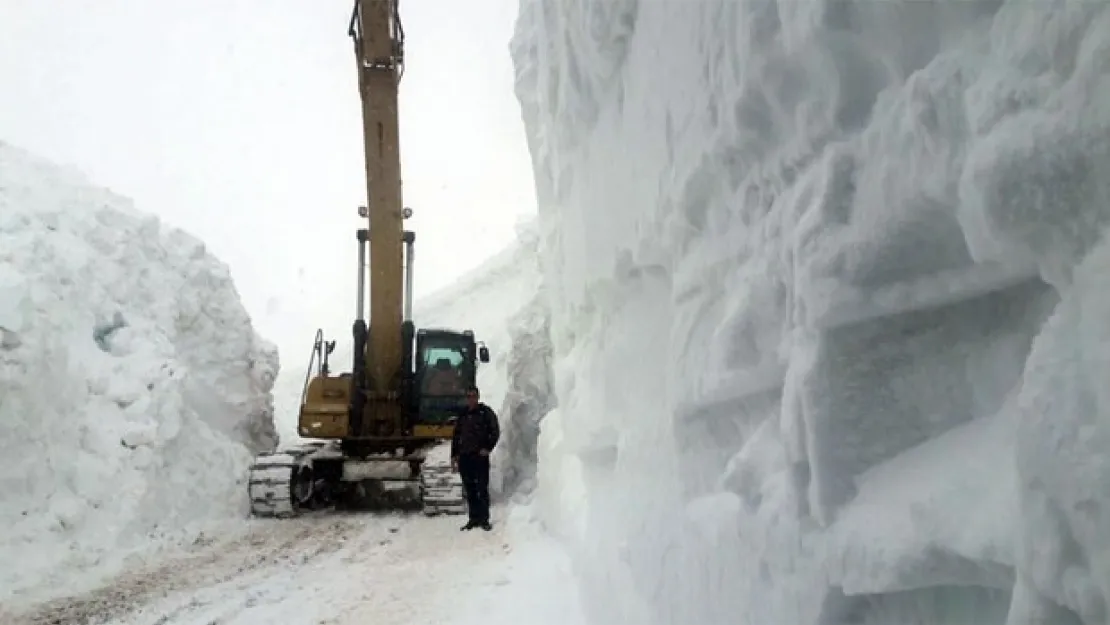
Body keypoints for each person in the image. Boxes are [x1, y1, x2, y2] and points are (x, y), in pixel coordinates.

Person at [450, 385, 500, 531]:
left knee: (481, 488)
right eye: (468, 396)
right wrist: (454, 455)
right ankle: (473, 518)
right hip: (465, 458)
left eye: (473, 396)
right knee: (470, 489)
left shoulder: (486, 413)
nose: (471, 399)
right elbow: (456, 436)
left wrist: (488, 448)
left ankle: (484, 519)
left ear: (478, 397)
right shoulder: (463, 415)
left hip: (479, 457)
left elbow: (495, 431)